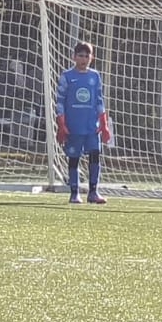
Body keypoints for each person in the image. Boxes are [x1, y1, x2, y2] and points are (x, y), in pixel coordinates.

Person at [55, 41, 112, 204]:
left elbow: (99, 100)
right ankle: (74, 193)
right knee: (74, 158)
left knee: (95, 156)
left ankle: (93, 192)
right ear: (74, 57)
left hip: (91, 126)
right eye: (80, 55)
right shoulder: (67, 76)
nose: (84, 59)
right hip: (74, 125)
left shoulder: (94, 76)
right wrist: (61, 124)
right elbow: (60, 101)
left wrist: (104, 124)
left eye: (87, 56)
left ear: (91, 58)